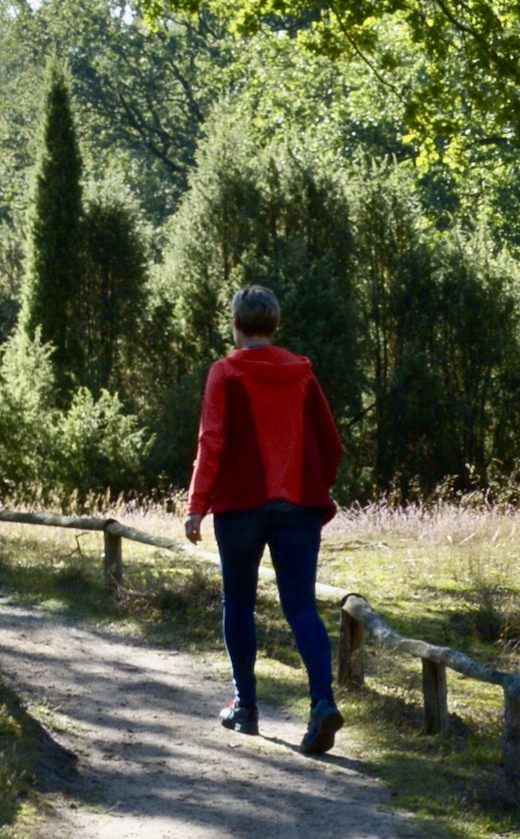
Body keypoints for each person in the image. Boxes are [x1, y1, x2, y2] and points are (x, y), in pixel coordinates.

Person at [184, 285, 347, 754]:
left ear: (235, 324)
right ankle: (321, 702)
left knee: (238, 604)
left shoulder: (225, 372)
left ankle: (246, 708)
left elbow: (210, 441)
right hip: (299, 508)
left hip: (239, 507)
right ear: (274, 325)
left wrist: (197, 505)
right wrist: (316, 484)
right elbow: (331, 444)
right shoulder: (303, 375)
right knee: (301, 607)